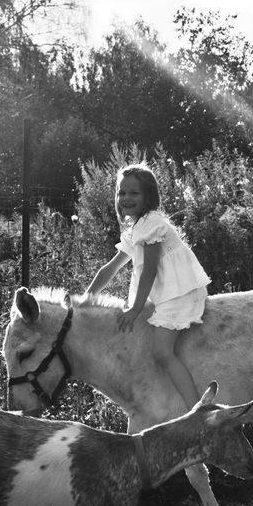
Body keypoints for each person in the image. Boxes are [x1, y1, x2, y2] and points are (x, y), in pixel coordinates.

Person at [83, 163, 211, 409]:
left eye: (134, 193)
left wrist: (135, 309)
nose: (126, 198)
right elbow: (111, 268)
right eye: (121, 192)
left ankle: (198, 410)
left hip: (179, 292)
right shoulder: (136, 229)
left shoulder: (152, 224)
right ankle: (161, 403)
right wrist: (87, 297)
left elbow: (149, 271)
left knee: (162, 352)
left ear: (148, 196)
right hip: (166, 293)